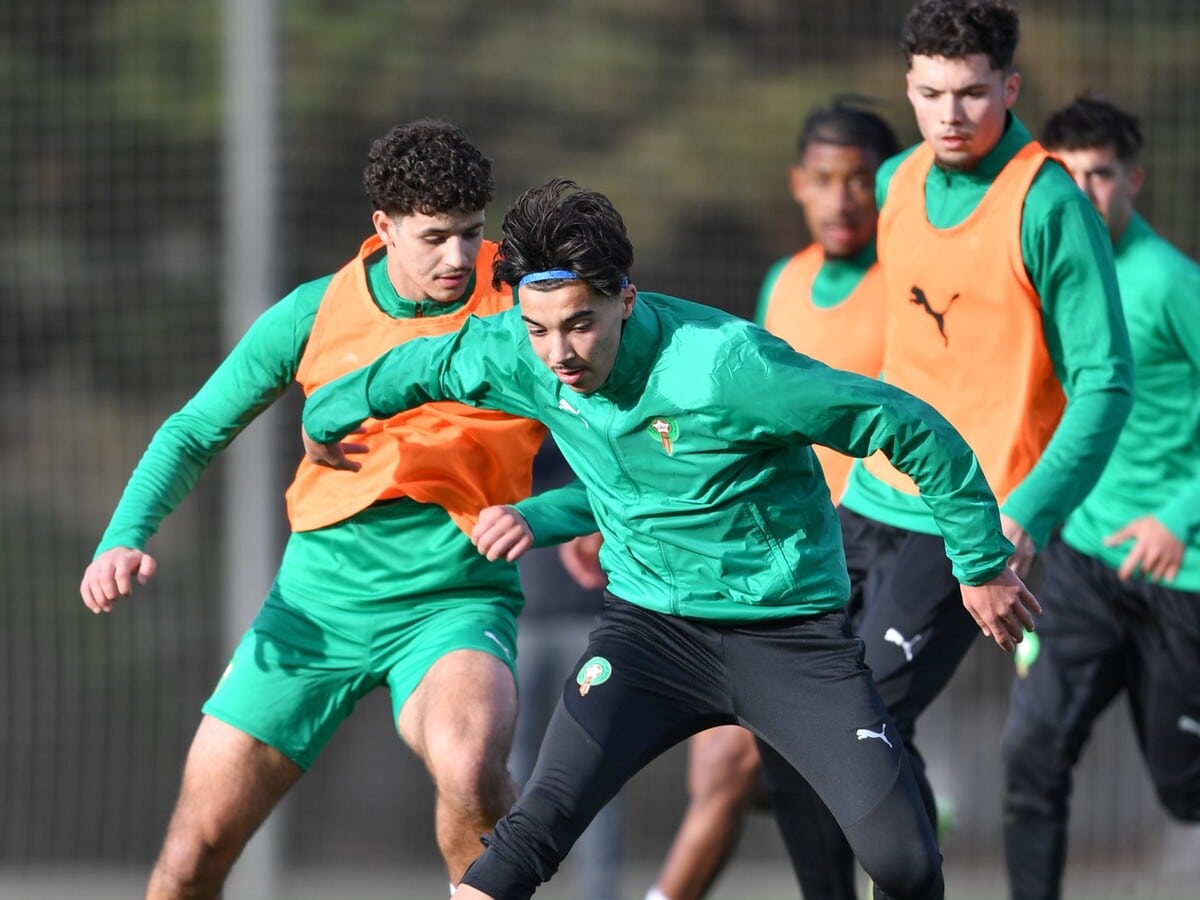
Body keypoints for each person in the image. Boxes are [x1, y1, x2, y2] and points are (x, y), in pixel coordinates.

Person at [302, 176, 1042, 900]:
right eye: (537, 328)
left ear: (626, 297)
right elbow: (415, 367)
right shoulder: (515, 353)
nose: (557, 352)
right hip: (648, 636)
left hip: (789, 639)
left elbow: (905, 424)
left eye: (580, 322)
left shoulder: (726, 365)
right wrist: (324, 415)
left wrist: (978, 562)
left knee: (906, 865)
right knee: (528, 838)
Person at [77, 119, 570, 897]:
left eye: (472, 235)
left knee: (472, 768)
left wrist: (573, 517)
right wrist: (123, 537)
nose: (457, 258)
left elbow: (621, 432)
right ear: (384, 226)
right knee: (193, 852)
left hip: (455, 599)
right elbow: (195, 430)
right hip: (315, 607)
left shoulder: (526, 312)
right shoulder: (313, 313)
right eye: (434, 237)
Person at [752, 1, 1135, 894]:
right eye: (930, 93)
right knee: (787, 722)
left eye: (971, 93)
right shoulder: (892, 182)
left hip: (967, 516)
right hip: (863, 504)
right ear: (910, 89)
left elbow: (1107, 385)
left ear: (1009, 85)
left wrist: (1023, 518)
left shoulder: (1049, 206)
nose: (951, 115)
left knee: (864, 715)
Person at [647, 98, 901, 900]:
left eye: (861, 180)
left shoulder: (911, 284)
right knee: (727, 767)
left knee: (731, 762)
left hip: (873, 554)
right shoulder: (783, 282)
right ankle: (902, 784)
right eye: (825, 180)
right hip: (773, 559)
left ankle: (903, 781)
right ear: (798, 184)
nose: (842, 198)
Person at [1001, 96, 1200, 900]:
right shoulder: (1044, 276)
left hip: (1179, 576)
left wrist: (1180, 516)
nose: (1085, 194)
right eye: (1068, 176)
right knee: (1031, 755)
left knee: (1184, 789)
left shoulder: (1173, 283)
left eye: (1102, 176)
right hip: (1084, 564)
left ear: (1133, 181)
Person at [511, 439, 625, 900]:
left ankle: (600, 892)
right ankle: (503, 883)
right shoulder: (508, 427)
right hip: (517, 625)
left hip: (590, 625)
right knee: (506, 770)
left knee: (592, 768)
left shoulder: (592, 429)